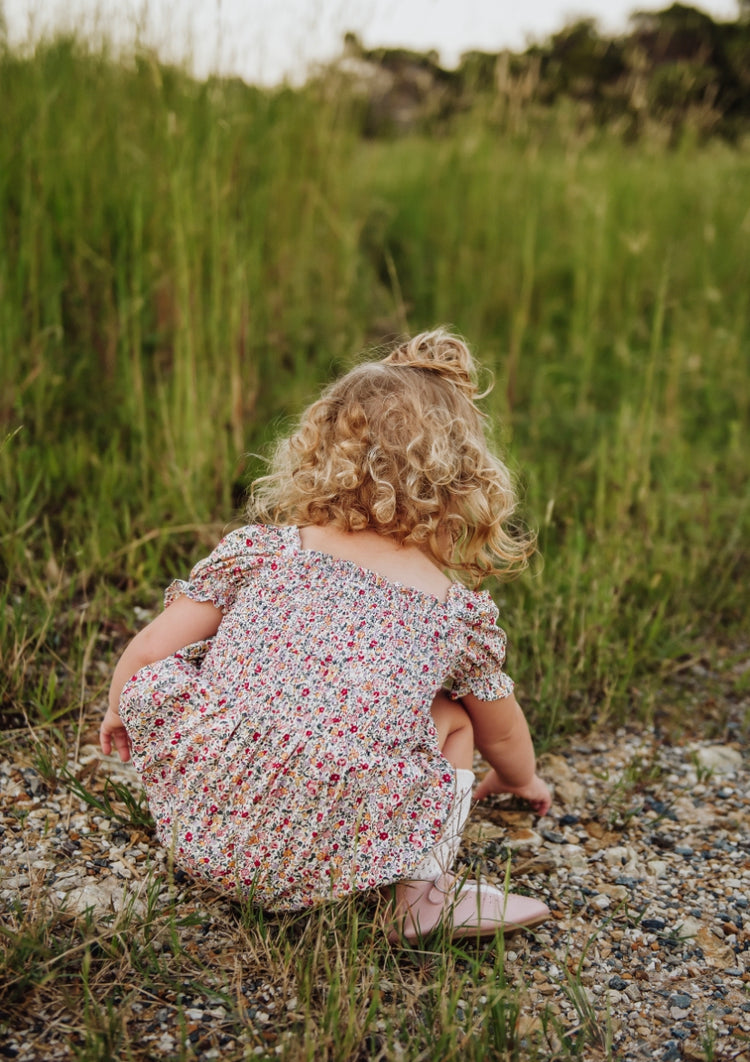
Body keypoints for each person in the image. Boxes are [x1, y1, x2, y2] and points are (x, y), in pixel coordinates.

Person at [100, 329, 552, 942]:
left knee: (187, 673)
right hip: (327, 843)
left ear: (317, 453)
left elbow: (153, 647)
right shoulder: (451, 610)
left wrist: (119, 710)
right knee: (458, 720)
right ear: (463, 480)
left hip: (200, 824)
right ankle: (420, 897)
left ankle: (237, 837)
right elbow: (502, 727)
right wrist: (520, 779)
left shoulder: (264, 552)